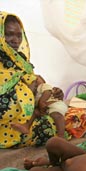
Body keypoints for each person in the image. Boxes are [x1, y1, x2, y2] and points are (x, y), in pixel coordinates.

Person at [0, 11, 64, 148]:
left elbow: (37, 82)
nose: (15, 40)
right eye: (9, 34)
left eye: (19, 35)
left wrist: (53, 93)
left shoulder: (20, 61)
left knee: (58, 120)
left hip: (27, 118)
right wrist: (28, 90)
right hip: (5, 125)